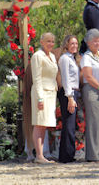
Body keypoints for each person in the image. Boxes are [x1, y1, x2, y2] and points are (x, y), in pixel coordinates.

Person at [80, 28, 99, 162]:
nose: (97, 44)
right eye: (94, 41)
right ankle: (92, 155)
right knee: (93, 122)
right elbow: (88, 75)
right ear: (88, 43)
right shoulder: (86, 57)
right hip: (92, 89)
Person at [31, 32, 58, 164]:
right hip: (40, 92)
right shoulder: (37, 56)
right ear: (41, 42)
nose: (51, 44)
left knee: (44, 124)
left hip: (51, 92)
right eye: (48, 41)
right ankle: (39, 156)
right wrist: (40, 98)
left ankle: (41, 156)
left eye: (52, 41)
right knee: (39, 123)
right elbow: (36, 78)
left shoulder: (52, 56)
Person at [57, 35, 80, 163]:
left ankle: (68, 154)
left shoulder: (71, 58)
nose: (75, 46)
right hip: (68, 94)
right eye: (72, 43)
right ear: (66, 45)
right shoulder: (65, 59)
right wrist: (70, 97)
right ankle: (66, 156)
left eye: (76, 43)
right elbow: (66, 79)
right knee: (68, 125)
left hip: (72, 92)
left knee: (70, 125)